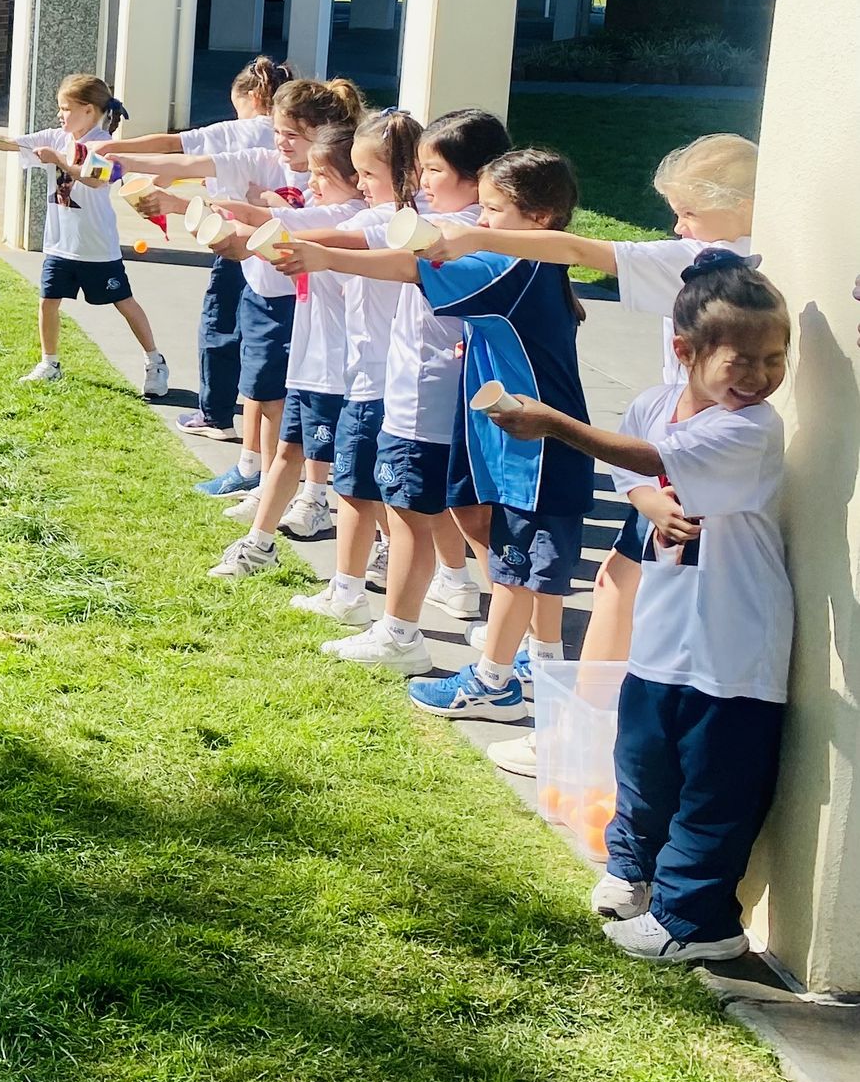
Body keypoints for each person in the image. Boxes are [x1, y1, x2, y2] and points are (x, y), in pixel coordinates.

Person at [483, 252, 791, 964]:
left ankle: (697, 922)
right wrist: (647, 501)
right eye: (740, 361)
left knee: (715, 786)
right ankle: (632, 871)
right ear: (686, 352)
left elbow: (648, 457)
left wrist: (553, 423)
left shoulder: (753, 428)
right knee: (643, 761)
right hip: (662, 633)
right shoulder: (654, 403)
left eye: (774, 360)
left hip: (733, 644)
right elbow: (637, 466)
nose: (758, 376)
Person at [422, 132, 758, 681]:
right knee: (626, 588)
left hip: (686, 458)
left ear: (743, 206)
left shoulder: (702, 261)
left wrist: (475, 238)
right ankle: (571, 694)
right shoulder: (745, 261)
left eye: (689, 213)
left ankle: (562, 707)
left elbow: (578, 250)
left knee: (624, 592)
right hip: (686, 459)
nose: (678, 227)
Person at [284, 148, 595, 722]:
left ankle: (494, 684)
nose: (482, 219)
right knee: (534, 565)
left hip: (532, 453)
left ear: (541, 217)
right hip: (537, 447)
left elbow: (409, 268)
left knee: (514, 567)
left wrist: (322, 256)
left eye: (494, 210)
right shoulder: (532, 263)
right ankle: (541, 660)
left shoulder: (509, 266)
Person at [287, 109, 507, 672]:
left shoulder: (457, 233)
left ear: (475, 175)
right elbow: (375, 236)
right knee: (461, 515)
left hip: (424, 398)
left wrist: (322, 255)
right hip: (429, 395)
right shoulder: (456, 223)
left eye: (433, 169)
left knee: (413, 515)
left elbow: (403, 262)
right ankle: (513, 631)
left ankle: (403, 636)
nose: (421, 179)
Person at [116, 76, 364, 503]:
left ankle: (285, 485)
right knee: (258, 390)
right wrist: (115, 159)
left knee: (281, 400)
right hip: (260, 291)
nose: (281, 142)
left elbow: (272, 227)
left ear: (322, 134)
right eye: (277, 131)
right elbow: (189, 166)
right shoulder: (263, 159)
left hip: (298, 302)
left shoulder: (330, 184)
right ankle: (256, 471)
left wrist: (261, 206)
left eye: (292, 135)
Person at [97, 54, 292, 441]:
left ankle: (216, 415)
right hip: (281, 246)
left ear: (252, 96)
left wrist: (114, 149)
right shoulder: (290, 136)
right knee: (268, 336)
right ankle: (273, 426)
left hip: (234, 240)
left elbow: (173, 145)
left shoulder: (237, 133)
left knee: (221, 325)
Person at [201, 123, 366, 577]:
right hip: (310, 363)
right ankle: (259, 544)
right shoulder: (325, 211)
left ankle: (364, 558)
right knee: (289, 452)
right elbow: (267, 236)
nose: (311, 185)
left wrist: (210, 208)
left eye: (321, 176)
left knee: (358, 479)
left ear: (354, 179)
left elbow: (278, 225)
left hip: (340, 370)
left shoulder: (350, 217)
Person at [0, 73, 170, 393]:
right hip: (60, 245)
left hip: (97, 248)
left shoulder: (105, 146)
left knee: (123, 302)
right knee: (48, 302)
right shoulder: (55, 137)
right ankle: (50, 363)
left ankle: (155, 362)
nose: (60, 114)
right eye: (60, 108)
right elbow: (11, 143)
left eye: (66, 108)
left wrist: (59, 159)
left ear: (88, 110)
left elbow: (96, 180)